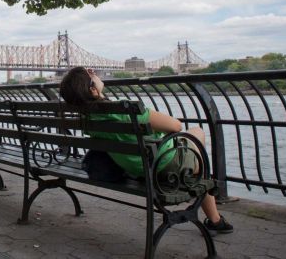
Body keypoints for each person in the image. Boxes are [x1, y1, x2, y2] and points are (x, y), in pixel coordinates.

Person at [59, 66, 234, 235]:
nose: (94, 73)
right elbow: (176, 125)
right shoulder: (126, 110)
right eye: (90, 74)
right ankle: (215, 220)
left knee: (195, 162)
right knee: (197, 133)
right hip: (163, 165)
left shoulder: (87, 121)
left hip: (137, 168)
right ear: (93, 91)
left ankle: (215, 219)